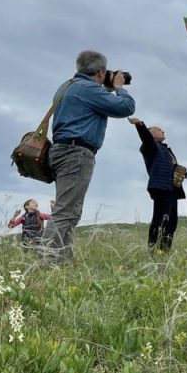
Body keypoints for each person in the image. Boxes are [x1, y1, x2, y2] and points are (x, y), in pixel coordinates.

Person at [44, 50, 135, 262]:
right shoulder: (88, 88)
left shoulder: (67, 86)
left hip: (61, 151)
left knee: (69, 210)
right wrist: (119, 88)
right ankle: (45, 263)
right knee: (66, 212)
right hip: (76, 153)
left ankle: (62, 261)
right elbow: (126, 107)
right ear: (101, 71)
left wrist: (105, 86)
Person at [127, 117, 186, 252]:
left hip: (172, 189)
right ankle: (153, 250)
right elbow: (146, 138)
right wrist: (140, 125)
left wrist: (180, 173)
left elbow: (172, 167)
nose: (163, 130)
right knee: (160, 220)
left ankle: (165, 250)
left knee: (171, 222)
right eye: (159, 129)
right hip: (161, 187)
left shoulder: (166, 150)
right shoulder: (151, 147)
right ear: (151, 133)